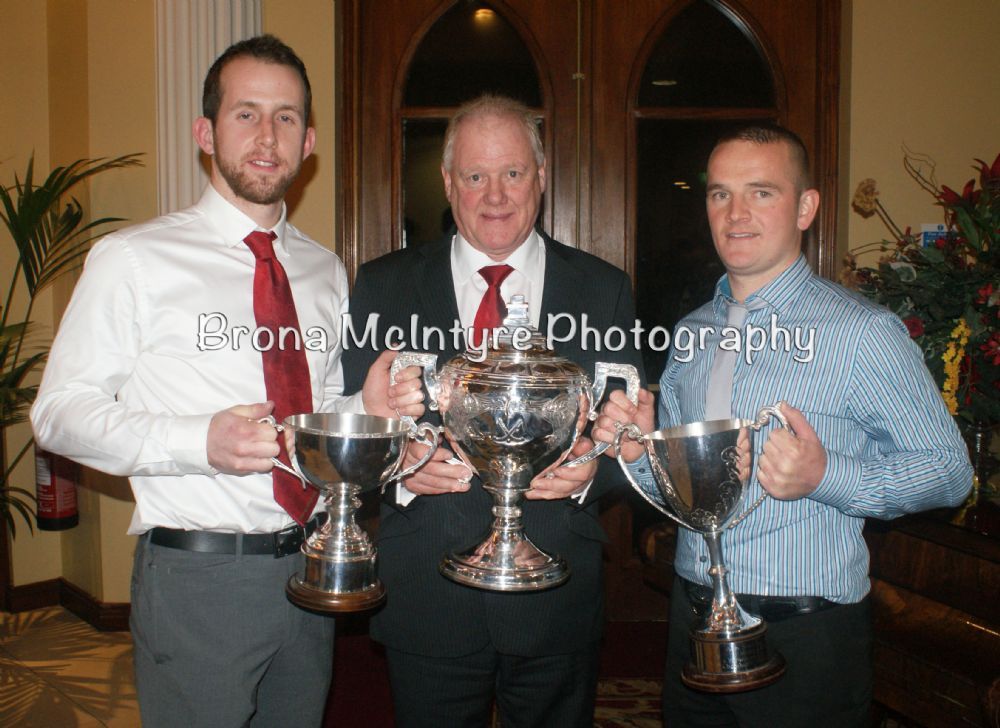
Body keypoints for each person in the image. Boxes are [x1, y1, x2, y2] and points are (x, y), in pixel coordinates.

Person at [30, 35, 423, 727]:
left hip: (309, 564)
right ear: (206, 133)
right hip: (199, 579)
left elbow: (310, 415)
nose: (267, 136)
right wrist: (198, 441)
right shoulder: (133, 259)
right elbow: (58, 413)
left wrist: (362, 405)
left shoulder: (323, 270)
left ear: (308, 143)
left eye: (286, 116)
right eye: (246, 114)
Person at [594, 125, 973, 727]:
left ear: (805, 208)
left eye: (761, 192)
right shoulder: (692, 333)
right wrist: (642, 456)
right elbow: (690, 493)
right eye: (720, 194)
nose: (736, 213)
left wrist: (826, 476)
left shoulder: (862, 333)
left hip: (807, 637)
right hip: (694, 618)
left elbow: (950, 473)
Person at [342, 94, 644, 728]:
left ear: (541, 177)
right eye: (475, 175)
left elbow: (633, 427)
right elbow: (354, 423)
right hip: (428, 591)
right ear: (448, 182)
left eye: (512, 172)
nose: (496, 195)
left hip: (557, 588)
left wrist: (593, 471)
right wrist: (399, 469)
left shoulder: (603, 288)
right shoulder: (382, 285)